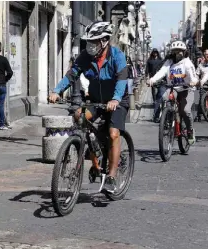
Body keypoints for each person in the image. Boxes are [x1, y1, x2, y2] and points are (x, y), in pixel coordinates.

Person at [48, 21, 128, 193]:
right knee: (79, 116)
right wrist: (56, 91)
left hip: (117, 101)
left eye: (94, 42)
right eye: (89, 42)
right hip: (96, 100)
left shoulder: (117, 56)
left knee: (114, 133)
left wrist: (115, 99)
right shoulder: (85, 56)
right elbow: (71, 75)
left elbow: (122, 80)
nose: (90, 45)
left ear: (105, 40)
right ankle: (95, 164)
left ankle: (112, 177)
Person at [148, 40, 198, 144]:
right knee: (164, 98)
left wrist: (193, 82)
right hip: (173, 88)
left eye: (179, 51)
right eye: (175, 51)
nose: (177, 53)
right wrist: (152, 80)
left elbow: (194, 77)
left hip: (186, 89)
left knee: (185, 110)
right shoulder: (169, 62)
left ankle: (190, 130)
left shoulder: (187, 63)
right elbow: (161, 72)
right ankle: (168, 119)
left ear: (184, 52)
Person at [194, 49, 208, 122]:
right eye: (206, 54)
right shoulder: (201, 65)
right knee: (201, 99)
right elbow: (197, 74)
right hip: (204, 84)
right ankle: (199, 114)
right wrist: (196, 80)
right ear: (204, 56)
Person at [145, 48, 165, 122]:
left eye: (156, 52)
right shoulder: (150, 60)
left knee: (160, 96)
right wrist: (147, 76)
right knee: (154, 93)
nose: (155, 53)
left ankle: (159, 109)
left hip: (160, 80)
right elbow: (147, 69)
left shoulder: (161, 60)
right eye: (154, 52)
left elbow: (164, 69)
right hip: (152, 79)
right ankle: (155, 104)